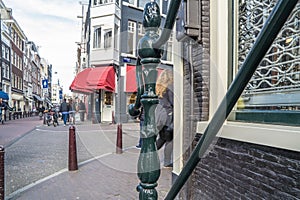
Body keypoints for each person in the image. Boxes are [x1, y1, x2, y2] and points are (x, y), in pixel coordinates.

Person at [155, 69, 174, 168]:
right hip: (168, 117)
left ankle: (150, 154)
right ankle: (167, 162)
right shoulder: (170, 87)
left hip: (160, 118)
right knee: (170, 140)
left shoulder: (159, 88)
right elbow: (172, 103)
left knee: (162, 138)